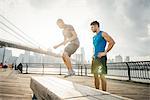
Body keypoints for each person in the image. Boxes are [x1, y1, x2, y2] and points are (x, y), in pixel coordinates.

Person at [90, 21, 115, 91]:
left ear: (96, 26)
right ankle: (97, 91)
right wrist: (93, 54)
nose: (91, 29)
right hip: (95, 58)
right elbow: (95, 47)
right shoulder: (94, 37)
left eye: (92, 27)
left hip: (101, 59)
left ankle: (104, 94)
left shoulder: (103, 34)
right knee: (95, 76)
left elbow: (112, 42)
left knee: (102, 76)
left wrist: (105, 52)